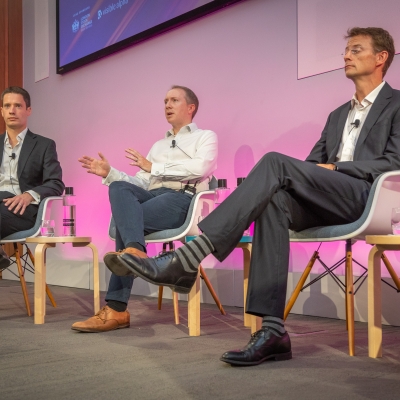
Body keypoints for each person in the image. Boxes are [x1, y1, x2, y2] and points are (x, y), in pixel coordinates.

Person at [105, 28, 400, 364]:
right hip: (328, 197)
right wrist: (318, 171)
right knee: (273, 201)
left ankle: (189, 258)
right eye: (346, 50)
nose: (346, 55)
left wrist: (336, 167)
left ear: (381, 58)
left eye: (356, 49)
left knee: (274, 162)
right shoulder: (337, 116)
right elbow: (310, 166)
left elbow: (394, 161)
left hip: (367, 197)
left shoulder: (396, 104)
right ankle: (273, 331)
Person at [72, 85, 218, 332]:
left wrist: (155, 168)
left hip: (183, 199)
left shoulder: (205, 137)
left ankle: (117, 308)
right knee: (118, 187)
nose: (167, 105)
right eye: (165, 101)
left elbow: (200, 168)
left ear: (191, 107)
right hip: (154, 196)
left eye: (174, 100)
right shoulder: (159, 145)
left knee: (126, 223)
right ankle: (136, 252)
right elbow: (141, 182)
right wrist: (110, 173)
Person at [0, 86, 64, 269]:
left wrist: (29, 195)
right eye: (7, 106)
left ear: (28, 110)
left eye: (18, 106)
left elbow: (55, 183)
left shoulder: (44, 145)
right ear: (2, 111)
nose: (12, 110)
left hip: (22, 210)